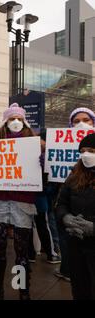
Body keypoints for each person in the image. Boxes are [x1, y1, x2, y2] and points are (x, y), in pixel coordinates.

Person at [0, 103, 38, 300]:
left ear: (24, 121)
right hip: (0, 202)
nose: (15, 122)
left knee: (21, 251)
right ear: (6, 122)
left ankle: (23, 291)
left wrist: (42, 162)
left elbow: (43, 176)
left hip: (22, 202)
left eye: (19, 119)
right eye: (12, 119)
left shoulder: (33, 142)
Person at [54, 107, 95, 281]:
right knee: (79, 286)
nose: (86, 155)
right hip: (75, 241)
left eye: (91, 151)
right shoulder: (74, 175)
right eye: (83, 151)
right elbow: (61, 202)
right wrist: (65, 218)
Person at [28, 129, 61, 264]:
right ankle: (31, 253)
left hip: (41, 196)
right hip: (28, 195)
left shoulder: (51, 156)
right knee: (28, 225)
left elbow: (54, 180)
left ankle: (49, 252)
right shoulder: (29, 153)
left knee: (42, 224)